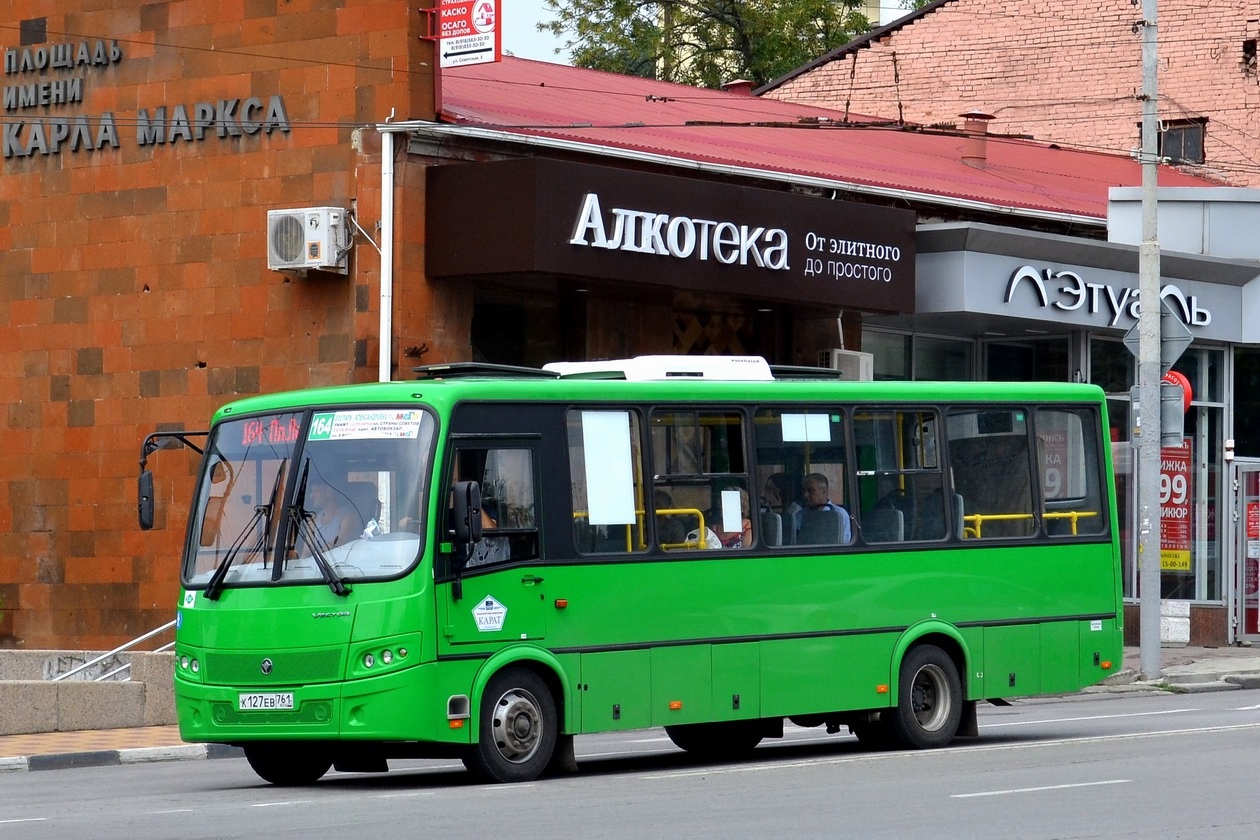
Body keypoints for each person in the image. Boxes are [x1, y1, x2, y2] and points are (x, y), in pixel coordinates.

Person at [797, 473, 852, 543]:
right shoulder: (800, 514)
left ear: (824, 491)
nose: (805, 495)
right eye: (804, 491)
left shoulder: (839, 514)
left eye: (810, 491)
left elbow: (843, 542)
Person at [308, 481, 362, 548]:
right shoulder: (314, 520)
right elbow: (306, 552)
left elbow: (338, 543)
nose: (311, 496)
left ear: (328, 492)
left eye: (315, 491)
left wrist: (315, 556)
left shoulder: (348, 518)